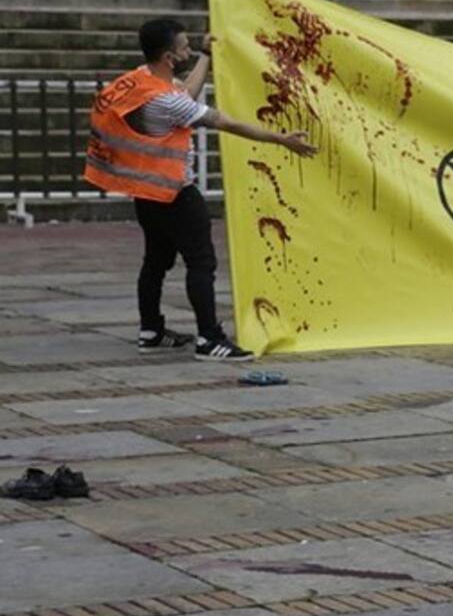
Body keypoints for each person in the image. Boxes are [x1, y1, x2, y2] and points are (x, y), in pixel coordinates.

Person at [84, 18, 316, 361]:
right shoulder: (164, 101)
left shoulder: (138, 80)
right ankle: (210, 338)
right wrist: (282, 139)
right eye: (184, 47)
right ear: (168, 57)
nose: (188, 50)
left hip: (147, 192)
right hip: (176, 192)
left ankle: (151, 331)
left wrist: (207, 55)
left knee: (156, 262)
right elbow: (226, 122)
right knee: (201, 262)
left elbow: (183, 95)